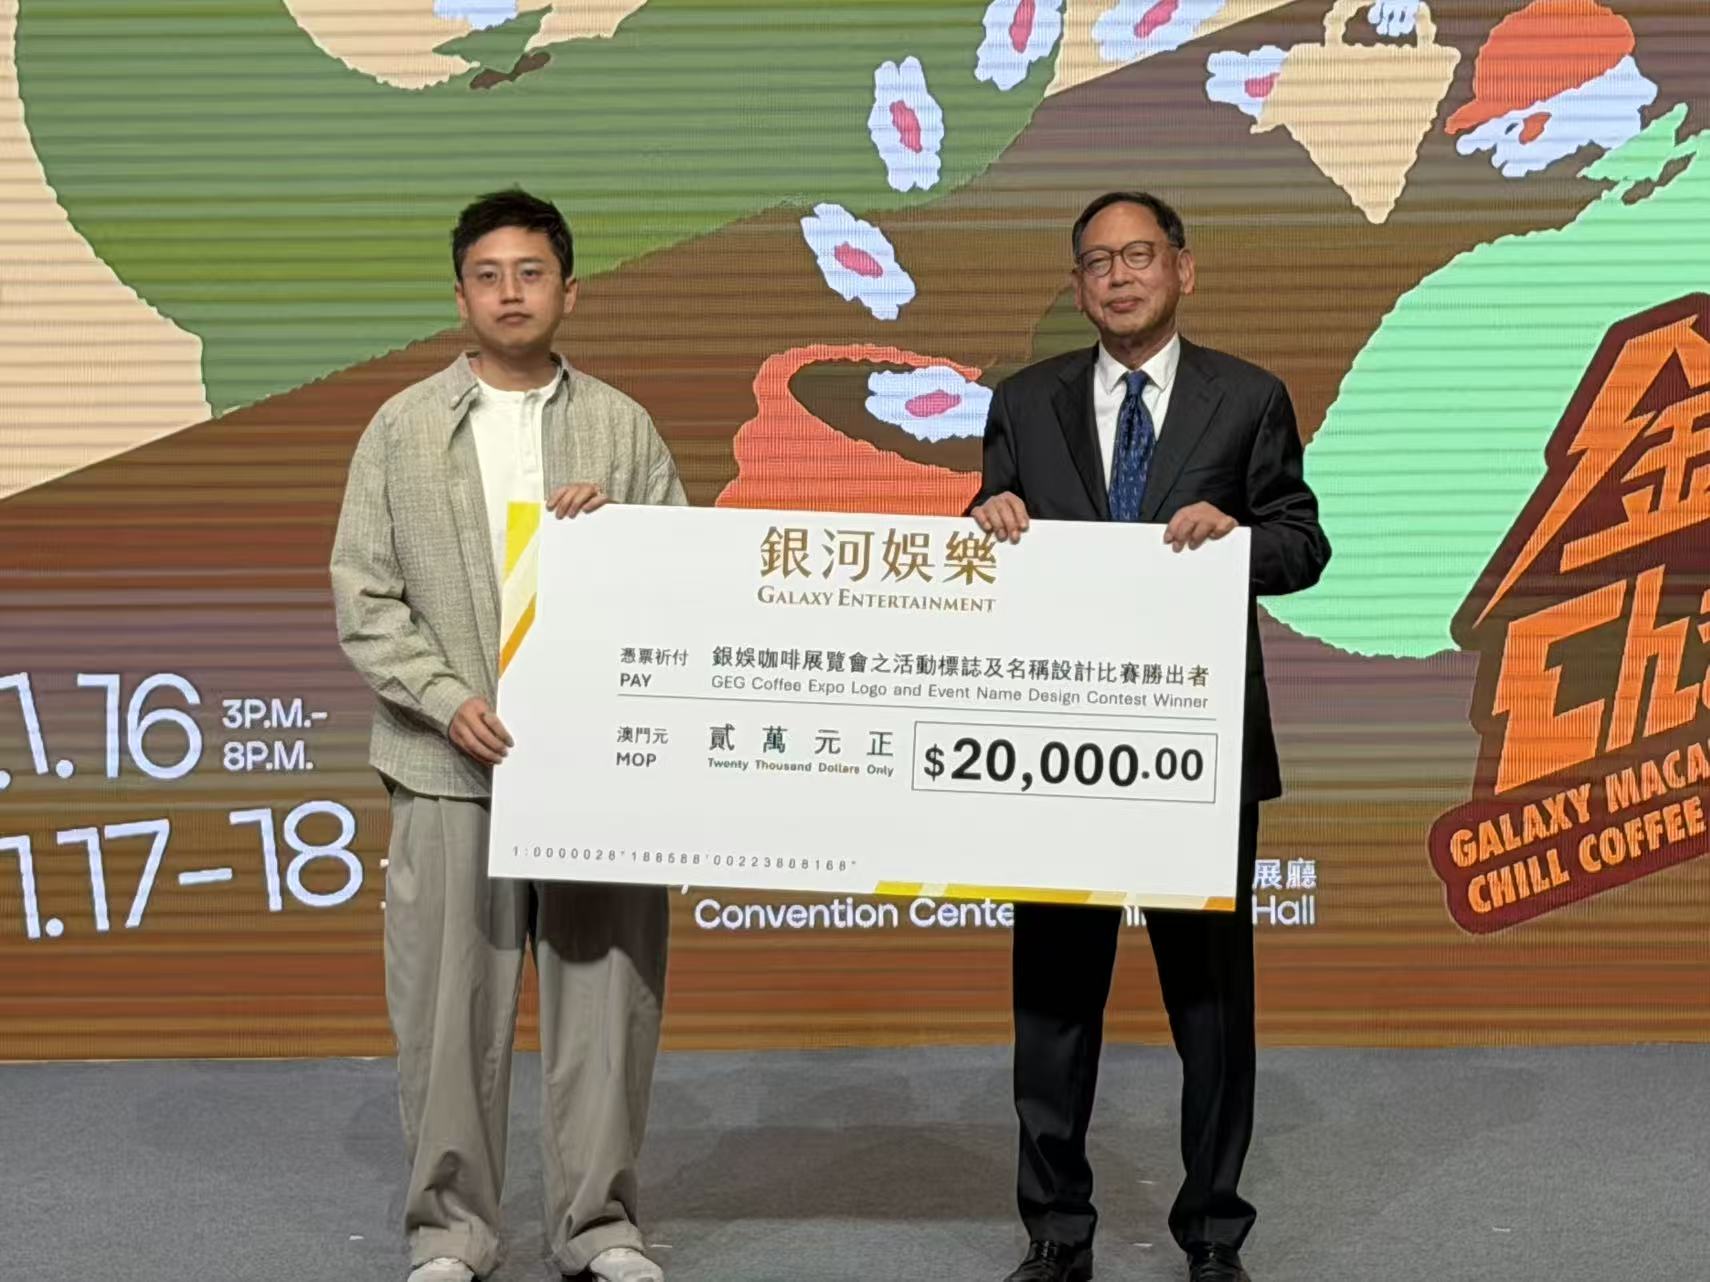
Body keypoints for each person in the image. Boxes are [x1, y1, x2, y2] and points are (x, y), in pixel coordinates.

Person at [969, 191, 1330, 1282]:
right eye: (1098, 262)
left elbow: (1303, 543)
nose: (1119, 276)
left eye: (1139, 256)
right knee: (1053, 1002)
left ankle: (1213, 1232)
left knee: (1211, 1005)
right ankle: (1056, 1231)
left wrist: (1237, 538)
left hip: (1197, 747)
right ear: (1078, 286)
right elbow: (986, 541)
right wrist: (984, 522)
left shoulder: (1248, 398)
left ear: (1182, 268)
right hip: (1060, 745)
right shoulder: (1024, 402)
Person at [331, 188, 686, 1282]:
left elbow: (681, 578)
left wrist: (620, 537)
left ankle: (600, 1227)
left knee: (606, 1005)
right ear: (461, 296)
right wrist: (445, 698)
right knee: (449, 1016)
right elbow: (366, 597)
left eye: (531, 273)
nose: (510, 293)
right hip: (446, 764)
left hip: (593, 773)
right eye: (488, 276)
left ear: (569, 291)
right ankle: (451, 1233)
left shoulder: (621, 426)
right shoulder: (402, 428)